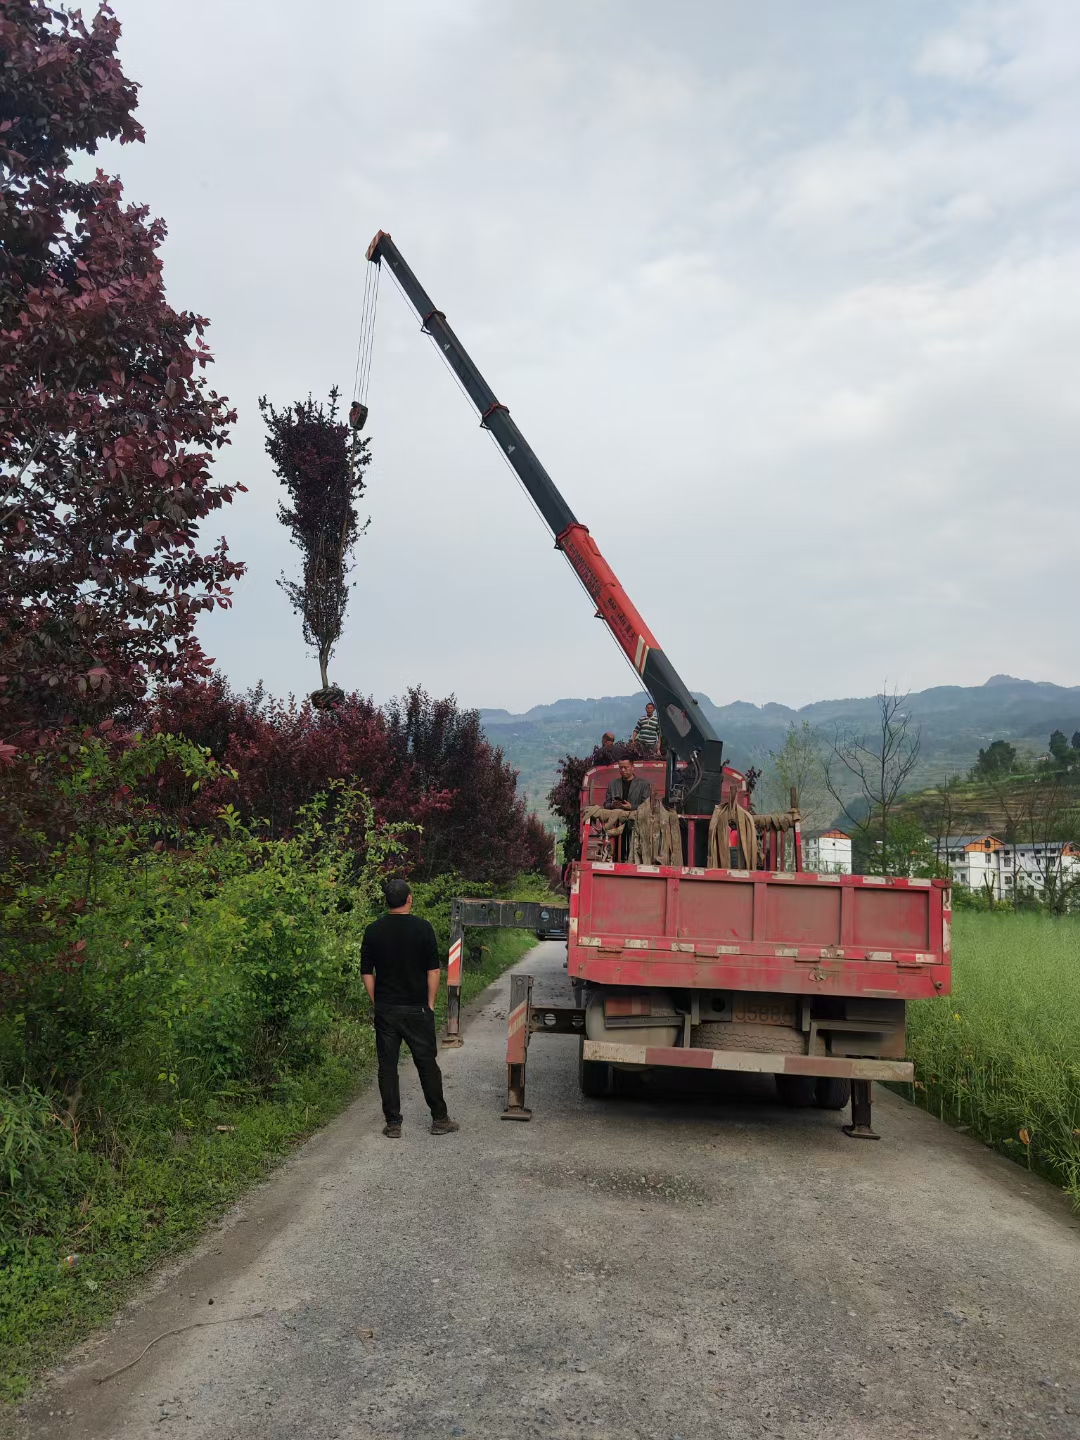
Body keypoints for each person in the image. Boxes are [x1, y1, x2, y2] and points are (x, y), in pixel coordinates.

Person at [361, 879, 459, 1138]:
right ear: (410, 899)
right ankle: (439, 1119)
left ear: (386, 901)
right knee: (427, 1064)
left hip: (386, 1010)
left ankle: (393, 1123)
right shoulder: (423, 928)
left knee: (388, 1066)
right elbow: (434, 970)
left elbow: (366, 973)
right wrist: (429, 1002)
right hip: (417, 1008)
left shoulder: (372, 930)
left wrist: (377, 1001)